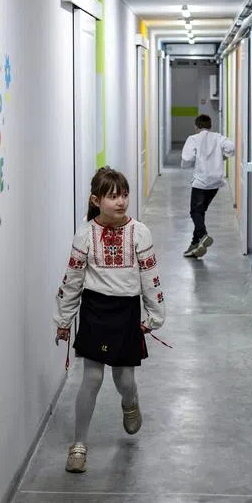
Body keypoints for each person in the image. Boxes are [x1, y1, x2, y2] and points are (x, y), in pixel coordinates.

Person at [54, 166, 165, 474]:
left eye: (124, 195)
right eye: (113, 196)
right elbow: (73, 279)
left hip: (126, 311)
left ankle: (130, 402)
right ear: (95, 200)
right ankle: (79, 445)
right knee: (92, 378)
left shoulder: (140, 233)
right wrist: (64, 319)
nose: (121, 202)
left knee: (124, 379)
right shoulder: (85, 235)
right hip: (95, 310)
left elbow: (150, 277)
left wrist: (155, 316)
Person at [180, 114, 235, 257]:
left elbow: (186, 158)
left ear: (196, 126)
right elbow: (231, 147)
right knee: (200, 212)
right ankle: (194, 244)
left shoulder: (193, 139)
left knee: (195, 212)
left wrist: (189, 162)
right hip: (215, 183)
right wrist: (223, 156)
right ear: (210, 126)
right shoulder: (218, 137)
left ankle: (203, 236)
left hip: (201, 182)